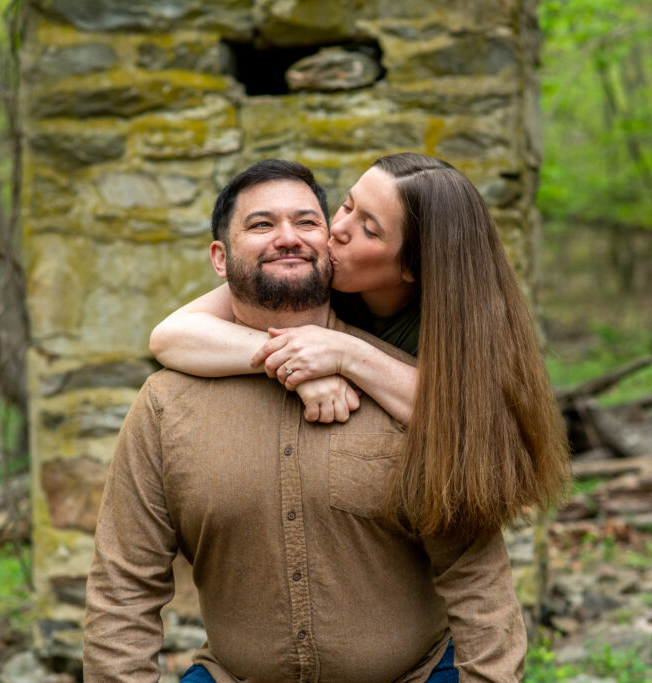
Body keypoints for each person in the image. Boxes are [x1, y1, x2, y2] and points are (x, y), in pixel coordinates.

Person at [84, 159, 528, 682]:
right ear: (220, 260)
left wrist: (346, 355)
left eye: (307, 221)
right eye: (261, 224)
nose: (289, 237)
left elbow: (479, 585)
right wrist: (293, 362)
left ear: (330, 255)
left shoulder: (416, 389)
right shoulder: (164, 405)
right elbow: (123, 590)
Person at [149, 152, 570, 542]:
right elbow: (172, 336)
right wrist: (298, 364)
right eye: (347, 206)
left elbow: (480, 434)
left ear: (412, 267)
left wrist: (346, 355)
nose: (338, 230)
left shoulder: (466, 325)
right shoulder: (314, 277)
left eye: (368, 228)